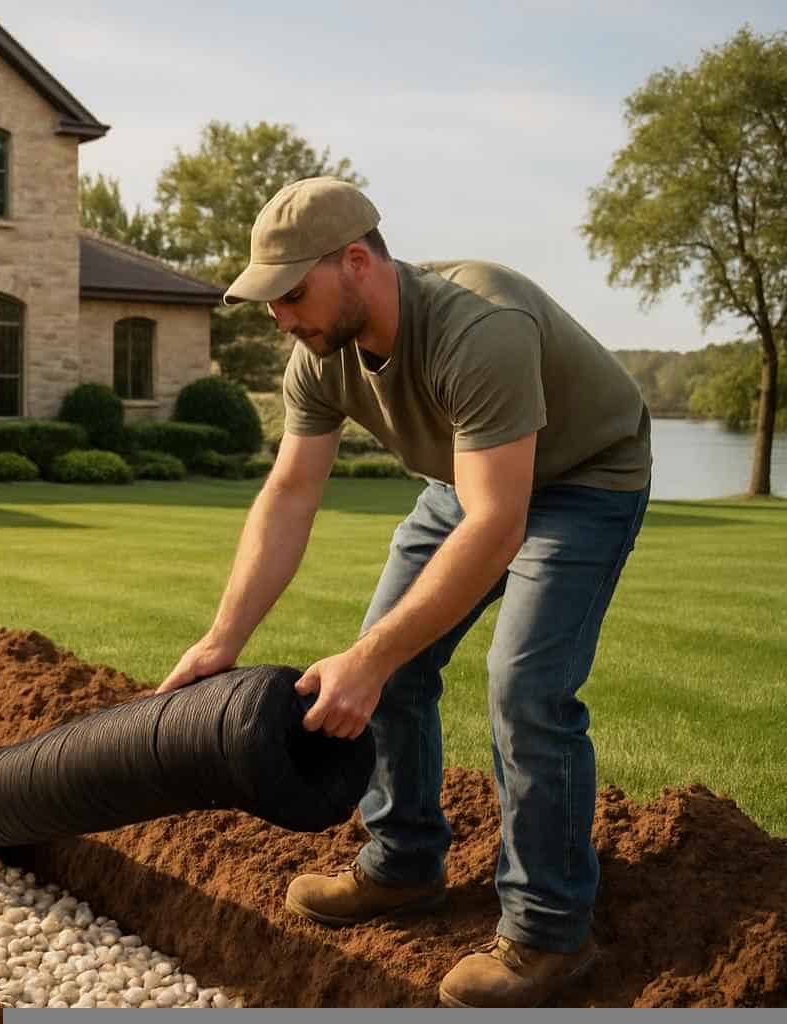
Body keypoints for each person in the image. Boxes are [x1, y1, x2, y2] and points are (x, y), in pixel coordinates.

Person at [157, 177, 651, 1008]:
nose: (280, 316)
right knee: (386, 655)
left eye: (291, 293)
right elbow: (290, 495)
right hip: (472, 478)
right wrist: (221, 638)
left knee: (524, 686)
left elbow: (500, 525)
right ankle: (403, 864)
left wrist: (372, 658)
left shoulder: (478, 325)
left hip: (586, 479)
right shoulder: (319, 354)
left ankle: (547, 929)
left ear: (356, 261)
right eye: (268, 300)